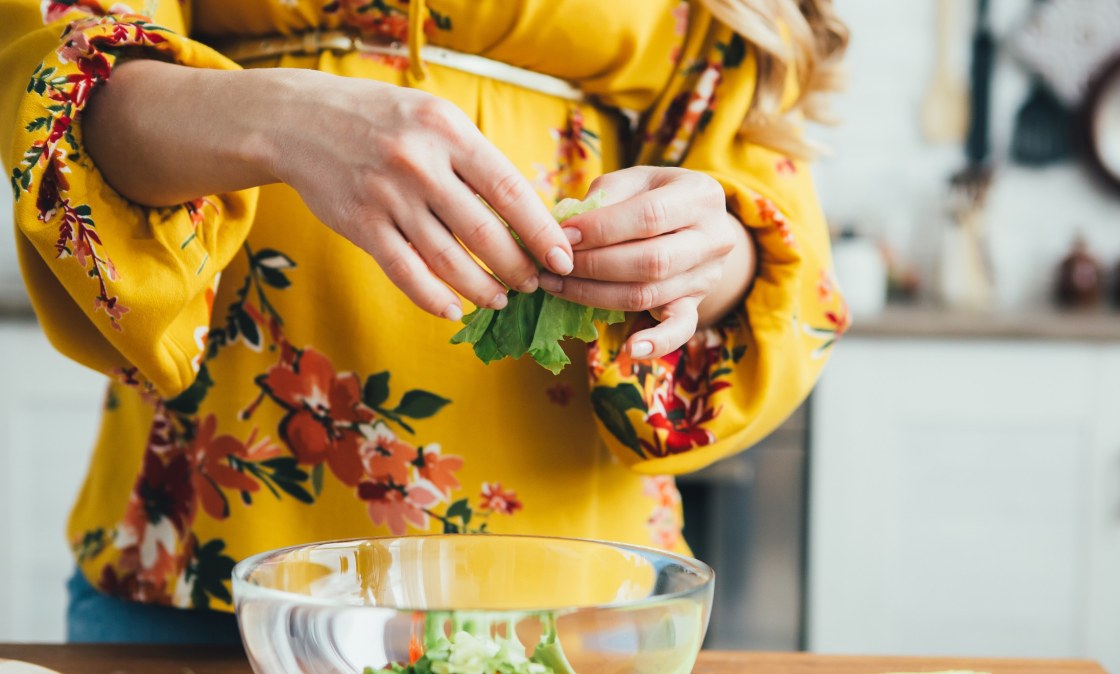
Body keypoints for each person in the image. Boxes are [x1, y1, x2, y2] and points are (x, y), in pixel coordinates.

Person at [1, 0, 850, 644]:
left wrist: (710, 254)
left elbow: (757, 180)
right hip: (210, 571)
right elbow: (57, 74)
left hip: (574, 586)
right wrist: (285, 114)